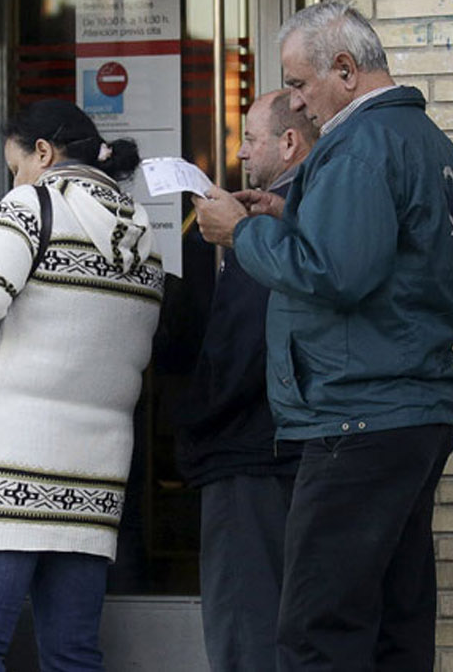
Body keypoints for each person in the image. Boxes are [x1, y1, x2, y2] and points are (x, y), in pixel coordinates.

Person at [194, 0, 453, 672]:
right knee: (394, 627)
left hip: (355, 417)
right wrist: (290, 215)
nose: (297, 102)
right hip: (409, 412)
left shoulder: (360, 143)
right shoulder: (426, 141)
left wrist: (243, 232)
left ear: (344, 70)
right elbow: (389, 259)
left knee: (319, 631)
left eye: (297, 84)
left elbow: (336, 274)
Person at [0, 100, 166, 671]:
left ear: (44, 153)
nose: (13, 180)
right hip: (94, 479)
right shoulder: (142, 237)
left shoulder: (32, 204)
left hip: (6, 472)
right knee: (72, 654)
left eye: (15, 165)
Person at [173, 90, 314, 672]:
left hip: (249, 451)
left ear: (289, 142)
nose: (239, 151)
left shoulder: (262, 228)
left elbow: (241, 344)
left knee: (245, 625)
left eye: (250, 138)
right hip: (296, 448)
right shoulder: (310, 214)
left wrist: (194, 424)